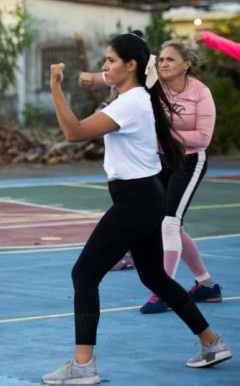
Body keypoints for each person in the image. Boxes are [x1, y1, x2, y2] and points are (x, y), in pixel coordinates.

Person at [42, 31, 231, 384]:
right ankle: (211, 342)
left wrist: (56, 88)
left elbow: (74, 132)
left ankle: (83, 365)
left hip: (136, 200)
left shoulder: (131, 103)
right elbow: (104, 97)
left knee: (83, 274)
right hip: (144, 198)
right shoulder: (134, 97)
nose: (105, 66)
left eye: (111, 60)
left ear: (131, 66)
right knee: (155, 276)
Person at [78, 41, 222, 313]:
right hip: (158, 161)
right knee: (170, 225)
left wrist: (163, 138)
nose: (164, 64)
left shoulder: (200, 93)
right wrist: (91, 78)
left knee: (169, 221)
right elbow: (119, 71)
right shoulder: (151, 90)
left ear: (186, 64)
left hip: (190, 160)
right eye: (162, 60)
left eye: (171, 60)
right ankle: (205, 284)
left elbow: (203, 137)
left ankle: (163, 290)